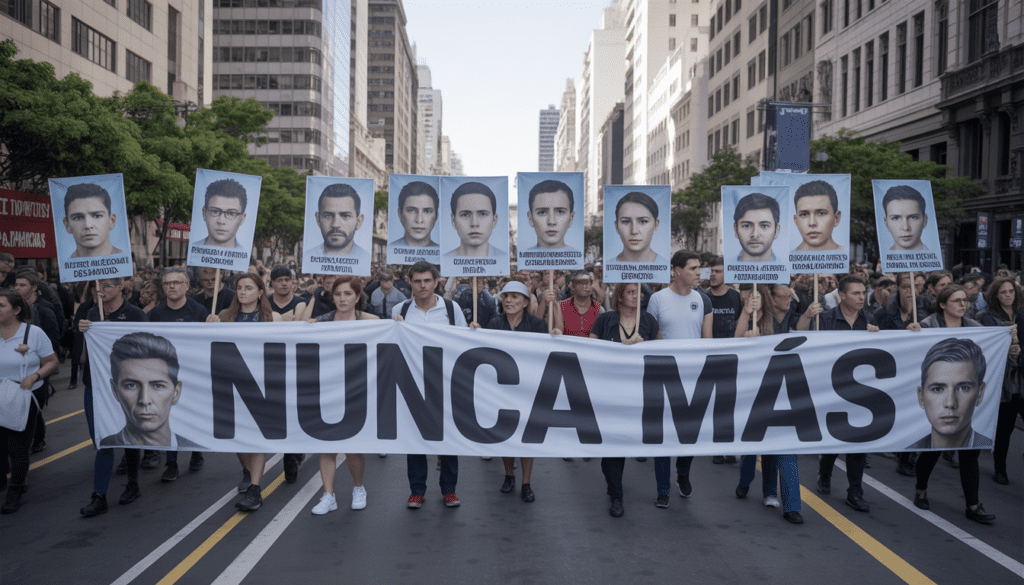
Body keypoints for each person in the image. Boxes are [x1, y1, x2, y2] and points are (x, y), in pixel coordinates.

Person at [800, 275, 879, 513]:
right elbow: (801, 336)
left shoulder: (870, 320)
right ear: (842, 295)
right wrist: (806, 316)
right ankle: (825, 473)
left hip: (860, 391)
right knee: (834, 439)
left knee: (857, 441)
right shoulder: (824, 319)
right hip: (831, 390)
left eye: (863, 293)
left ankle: (855, 490)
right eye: (855, 293)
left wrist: (878, 335)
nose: (861, 297)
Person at [393, 262, 467, 508]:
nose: (422, 286)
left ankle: (449, 489)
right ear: (410, 283)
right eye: (417, 281)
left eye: (427, 281)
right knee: (414, 439)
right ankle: (417, 490)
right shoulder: (400, 309)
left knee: (447, 438)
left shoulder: (452, 309)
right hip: (412, 383)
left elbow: (465, 343)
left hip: (444, 383)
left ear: (436, 282)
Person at [476, 281, 555, 502]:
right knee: (505, 434)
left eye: (515, 297)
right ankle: (509, 475)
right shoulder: (493, 324)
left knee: (527, 438)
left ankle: (526, 483)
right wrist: (474, 334)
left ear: (526, 302)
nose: (509, 301)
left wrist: (555, 331)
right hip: (501, 390)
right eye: (506, 296)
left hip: (528, 390)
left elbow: (544, 353)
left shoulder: (537, 325)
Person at [732, 285, 805, 524]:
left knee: (784, 448)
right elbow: (735, 342)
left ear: (764, 299)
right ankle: (745, 482)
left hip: (778, 392)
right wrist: (745, 319)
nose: (751, 300)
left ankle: (792, 505)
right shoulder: (743, 316)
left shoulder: (776, 321)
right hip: (750, 394)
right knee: (751, 449)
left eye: (755, 297)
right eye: (747, 297)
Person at [906, 334, 996, 524]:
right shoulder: (931, 325)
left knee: (970, 455)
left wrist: (1010, 339)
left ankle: (973, 505)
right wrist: (912, 329)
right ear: (921, 396)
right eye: (938, 389)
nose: (950, 403)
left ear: (980, 393)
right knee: (931, 452)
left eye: (963, 388)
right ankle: (920, 490)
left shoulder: (974, 327)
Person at [645, 250, 713, 504]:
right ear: (676, 271)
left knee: (689, 435)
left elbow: (708, 340)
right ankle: (663, 489)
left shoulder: (703, 300)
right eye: (693, 268)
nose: (699, 273)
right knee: (663, 437)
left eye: (699, 268)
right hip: (665, 377)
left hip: (694, 379)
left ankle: (682, 473)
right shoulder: (657, 299)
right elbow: (654, 337)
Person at [78, 278, 147, 518]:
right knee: (102, 438)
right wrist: (85, 333)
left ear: (121, 287)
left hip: (126, 386)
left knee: (129, 435)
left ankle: (132, 483)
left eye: (107, 285)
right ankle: (100, 497)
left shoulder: (136, 314)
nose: (101, 289)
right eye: (98, 285)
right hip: (95, 385)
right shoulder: (90, 314)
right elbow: (83, 358)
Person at [590, 283, 661, 517]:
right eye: (631, 292)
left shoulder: (649, 321)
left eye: (639, 292)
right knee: (612, 447)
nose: (636, 296)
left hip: (640, 394)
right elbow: (590, 351)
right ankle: (616, 494)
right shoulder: (605, 320)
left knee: (634, 440)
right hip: (610, 394)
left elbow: (661, 353)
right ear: (620, 296)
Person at [209, 273, 276, 510]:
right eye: (239, 288)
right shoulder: (225, 317)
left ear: (260, 292)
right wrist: (209, 328)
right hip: (231, 384)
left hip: (260, 386)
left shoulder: (271, 318)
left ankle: (255, 489)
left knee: (256, 439)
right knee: (238, 437)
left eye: (249, 287)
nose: (242, 291)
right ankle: (247, 471)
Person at [310, 277, 372, 514]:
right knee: (326, 446)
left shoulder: (371, 322)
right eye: (338, 294)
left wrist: (397, 323)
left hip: (357, 391)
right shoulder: (321, 322)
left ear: (357, 297)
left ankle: (359, 488)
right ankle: (328, 495)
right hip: (327, 390)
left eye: (348, 294)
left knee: (353, 446)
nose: (342, 299)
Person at [146, 267, 209, 481]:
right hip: (165, 377)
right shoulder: (155, 314)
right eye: (167, 283)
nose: (171, 286)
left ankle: (196, 453)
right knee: (168, 419)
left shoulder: (199, 312)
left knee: (191, 418)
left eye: (176, 282)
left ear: (187, 286)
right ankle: (171, 462)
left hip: (192, 376)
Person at [0, 290, 58, 514]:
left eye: (1, 305)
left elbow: (51, 361)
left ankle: (15, 489)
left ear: (16, 310)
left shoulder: (33, 334)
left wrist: (35, 376)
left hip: (25, 394)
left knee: (18, 445)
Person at [100, 331, 204, 450]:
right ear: (114, 390)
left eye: (158, 386)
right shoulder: (105, 443)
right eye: (131, 385)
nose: (144, 400)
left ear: (176, 392)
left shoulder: (194, 446)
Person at [976, 278, 1023, 485]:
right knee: (1005, 427)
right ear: (996, 295)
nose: (1008, 295)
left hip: (1021, 377)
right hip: (1003, 379)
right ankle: (1000, 468)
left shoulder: (1021, 314)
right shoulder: (987, 317)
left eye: (1011, 291)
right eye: (1003, 292)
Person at [443, 181, 506, 258]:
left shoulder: (503, 259)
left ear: (494, 220)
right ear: (453, 221)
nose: (474, 223)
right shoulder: (445, 261)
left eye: (483, 214)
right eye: (465, 215)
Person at [308, 183, 369, 260]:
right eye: (328, 216)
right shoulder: (307, 257)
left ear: (359, 221)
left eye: (345, 216)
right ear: (318, 219)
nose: (335, 224)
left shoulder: (366, 259)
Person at [62, 183, 123, 257]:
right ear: (67, 225)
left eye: (97, 216)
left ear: (112, 221)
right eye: (77, 218)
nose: (88, 225)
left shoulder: (126, 263)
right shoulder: (65, 267)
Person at [613, 192, 666, 264]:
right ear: (616, 227)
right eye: (626, 222)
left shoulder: (665, 267)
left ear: (656, 225)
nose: (634, 231)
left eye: (643, 221)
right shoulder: (607, 269)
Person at [792, 180, 843, 251]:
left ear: (836, 218)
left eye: (821, 214)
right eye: (804, 215)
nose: (812, 223)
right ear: (796, 220)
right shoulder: (785, 260)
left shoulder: (846, 256)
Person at [526, 180, 577, 250]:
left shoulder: (578, 258)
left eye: (560, 212)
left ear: (571, 218)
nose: (551, 222)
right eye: (542, 212)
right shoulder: (523, 259)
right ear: (530, 218)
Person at [199, 178, 248, 249]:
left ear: (242, 218)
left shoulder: (247, 258)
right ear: (204, 213)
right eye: (214, 211)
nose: (221, 221)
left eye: (231, 213)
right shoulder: (190, 254)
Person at [390, 180, 439, 248]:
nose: (419, 220)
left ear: (436, 216)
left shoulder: (444, 255)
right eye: (411, 211)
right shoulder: (390, 250)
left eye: (427, 211)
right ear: (400, 214)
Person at [882, 185, 929, 251]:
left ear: (925, 220)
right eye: (896, 218)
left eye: (913, 217)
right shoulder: (881, 259)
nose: (905, 227)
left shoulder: (937, 258)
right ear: (886, 223)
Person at [559, 272, 602, 337]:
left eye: (588, 283)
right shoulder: (561, 306)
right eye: (581, 283)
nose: (585, 286)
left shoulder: (599, 309)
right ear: (573, 287)